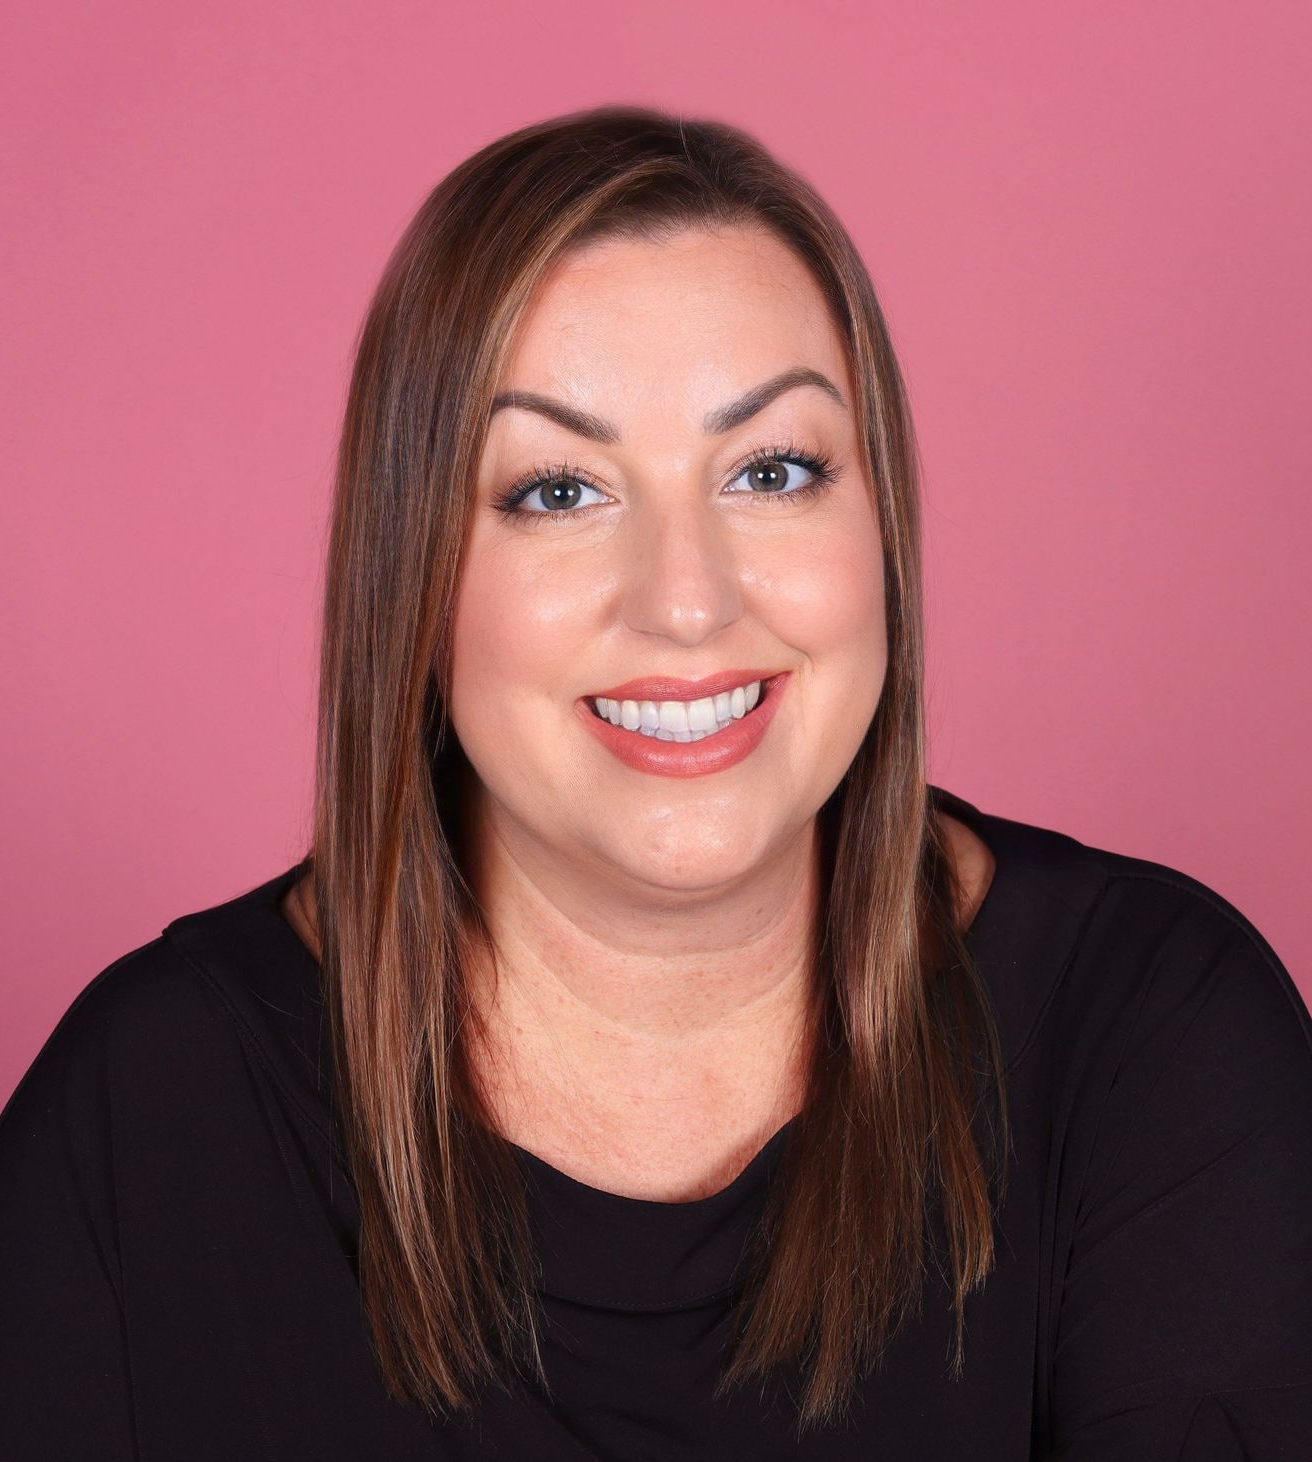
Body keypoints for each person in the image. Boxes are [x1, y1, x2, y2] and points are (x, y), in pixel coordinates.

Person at [2, 105, 1309, 1460]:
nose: (687, 604)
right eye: (560, 491)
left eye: (772, 470)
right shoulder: (140, 1121)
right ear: (418, 580)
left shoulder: (1158, 1041)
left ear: (882, 532)